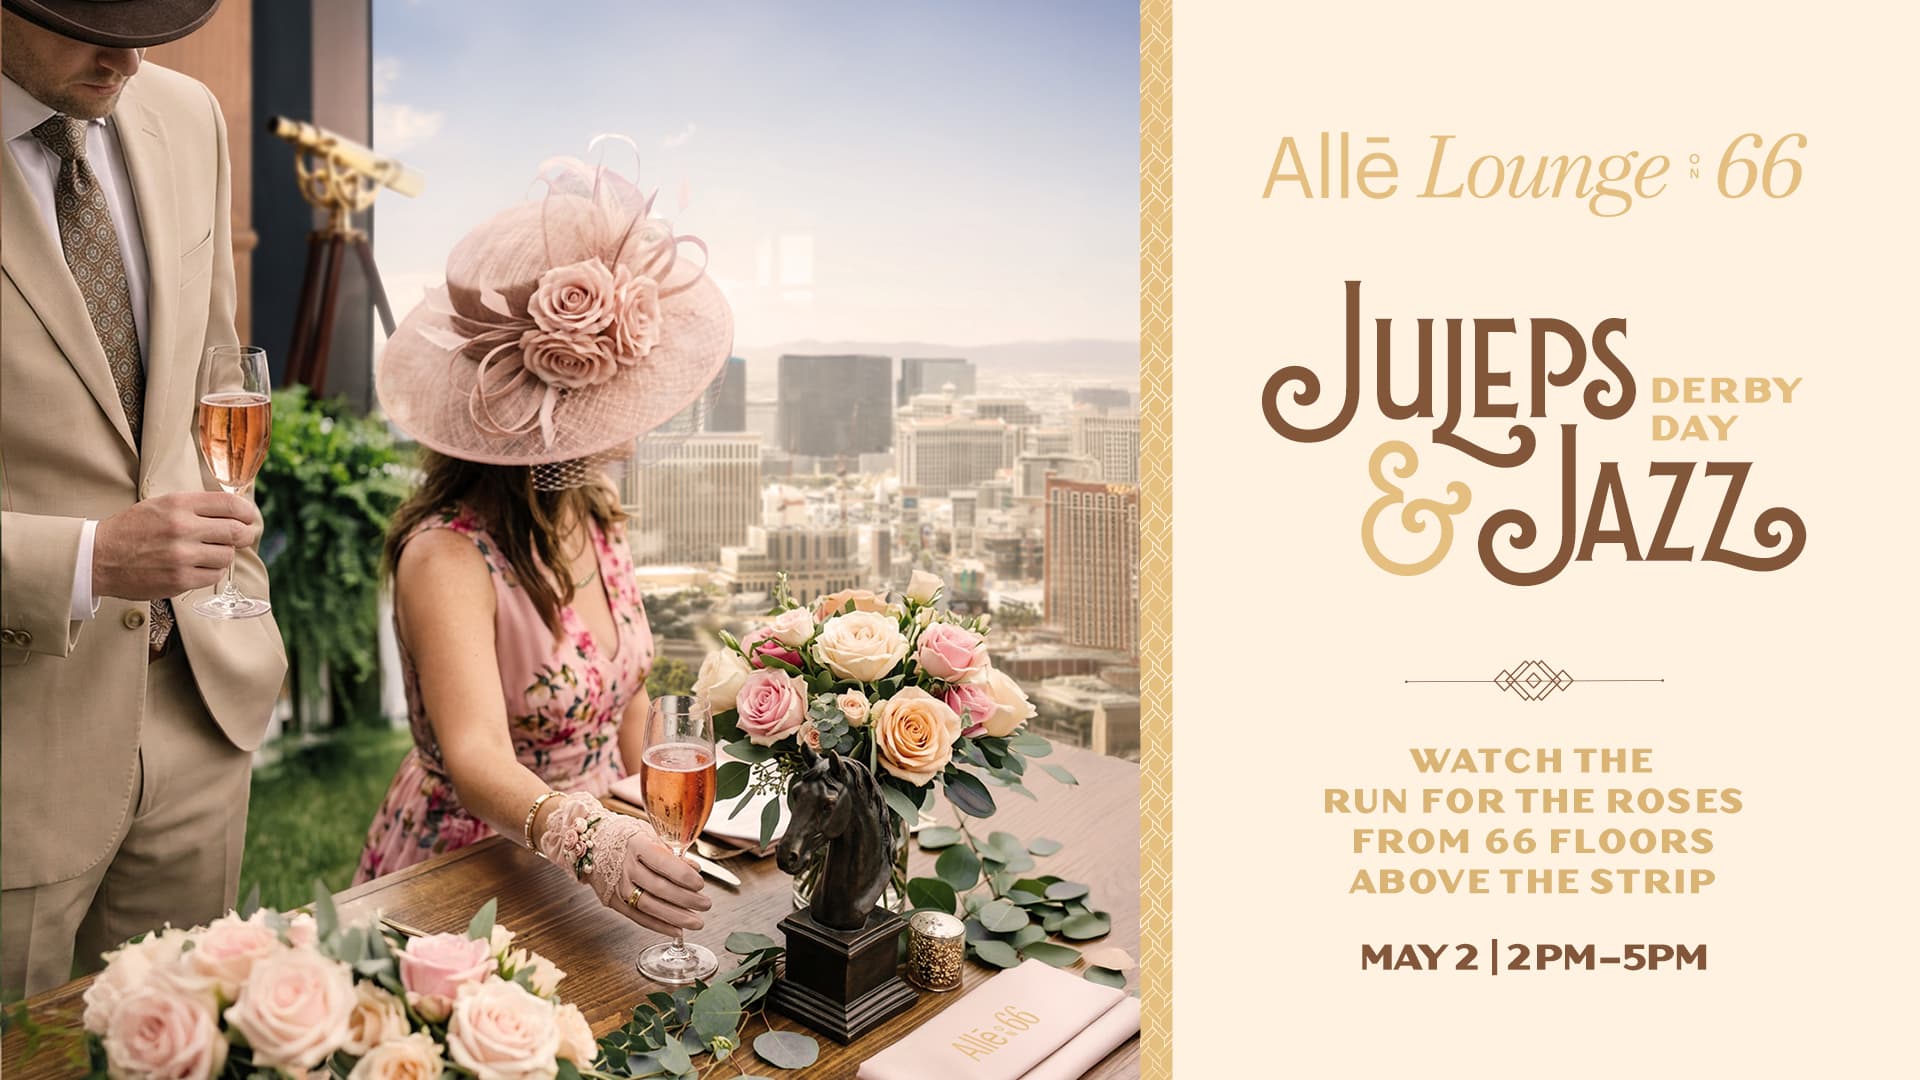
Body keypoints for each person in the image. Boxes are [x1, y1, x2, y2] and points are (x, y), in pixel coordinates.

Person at [356, 156, 733, 940]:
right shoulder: (446, 557)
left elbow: (626, 692)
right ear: (546, 420)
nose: (633, 436)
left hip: (604, 861)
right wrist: (591, 841)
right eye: (613, 403)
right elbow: (476, 755)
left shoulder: (597, 515)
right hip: (475, 872)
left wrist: (673, 821)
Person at [0, 0, 285, 996]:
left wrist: (233, 591)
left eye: (152, 18)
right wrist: (85, 562)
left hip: (200, 705)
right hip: (14, 750)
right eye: (86, 19)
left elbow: (215, 372)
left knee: (180, 1045)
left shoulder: (187, 113)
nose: (129, 56)